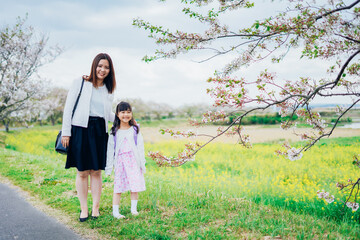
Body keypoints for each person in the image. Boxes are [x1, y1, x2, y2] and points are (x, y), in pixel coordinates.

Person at [61, 53, 116, 222]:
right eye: (100, 66)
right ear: (94, 66)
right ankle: (83, 208)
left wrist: (126, 120)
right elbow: (68, 107)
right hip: (80, 129)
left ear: (110, 70)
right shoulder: (81, 82)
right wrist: (66, 132)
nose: (102, 70)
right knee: (82, 172)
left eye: (106, 67)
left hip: (99, 131)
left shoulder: (108, 89)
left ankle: (95, 208)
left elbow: (107, 114)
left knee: (96, 172)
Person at [105, 101, 146, 219]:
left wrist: (142, 164)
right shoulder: (114, 131)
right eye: (123, 112)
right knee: (118, 187)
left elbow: (140, 147)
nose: (126, 115)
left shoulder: (135, 129)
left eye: (128, 112)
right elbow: (110, 150)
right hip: (120, 162)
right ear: (117, 114)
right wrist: (109, 167)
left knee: (135, 186)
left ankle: (134, 209)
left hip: (133, 161)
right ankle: (115, 211)